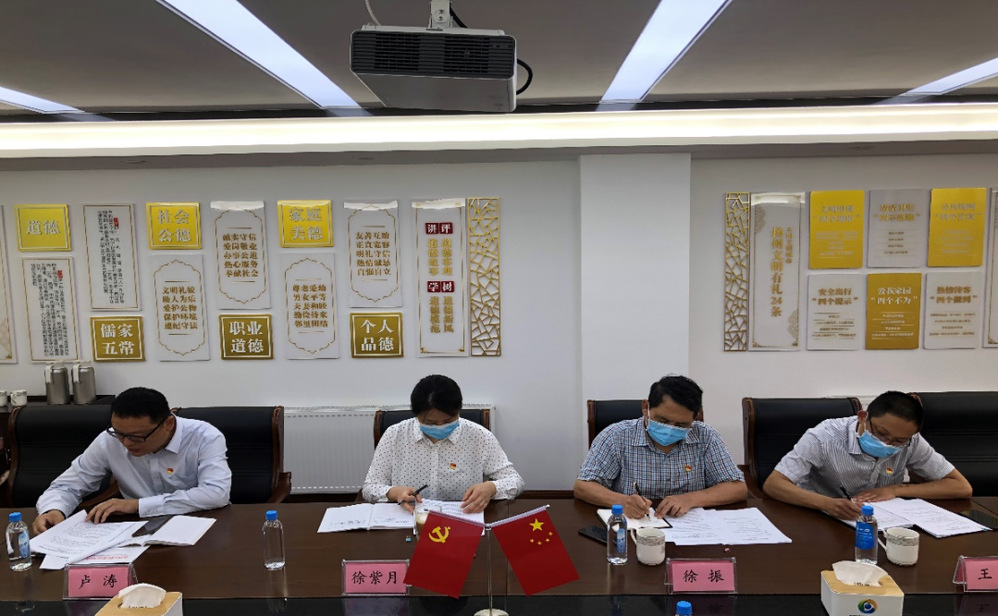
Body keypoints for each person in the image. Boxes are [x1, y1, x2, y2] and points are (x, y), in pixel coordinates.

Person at [32, 387, 232, 534]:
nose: (126, 443)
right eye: (120, 433)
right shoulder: (109, 440)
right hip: (136, 531)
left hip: (199, 525)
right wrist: (54, 509)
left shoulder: (204, 437)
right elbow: (67, 485)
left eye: (137, 436)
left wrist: (137, 505)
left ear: (169, 423)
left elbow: (215, 493)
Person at [763, 390, 972, 519]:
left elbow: (961, 487)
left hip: (884, 522)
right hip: (822, 517)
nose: (886, 443)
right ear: (863, 417)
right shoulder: (823, 437)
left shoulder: (912, 441)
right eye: (881, 433)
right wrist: (827, 504)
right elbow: (774, 484)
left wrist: (895, 489)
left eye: (898, 441)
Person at [574, 375, 747, 519]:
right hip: (635, 526)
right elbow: (583, 486)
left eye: (681, 424)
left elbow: (737, 488)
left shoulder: (706, 436)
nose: (670, 428)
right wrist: (622, 501)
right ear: (646, 407)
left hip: (690, 528)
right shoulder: (616, 436)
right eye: (663, 420)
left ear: (695, 418)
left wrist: (690, 499)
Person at [362, 374, 524, 514]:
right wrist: (393, 492)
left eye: (448, 421)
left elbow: (514, 481)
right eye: (430, 422)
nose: (440, 426)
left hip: (462, 518)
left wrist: (491, 488)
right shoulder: (394, 435)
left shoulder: (479, 436)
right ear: (417, 415)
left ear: (458, 411)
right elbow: (370, 487)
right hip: (409, 519)